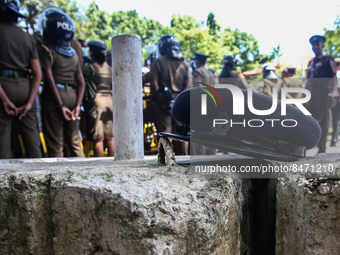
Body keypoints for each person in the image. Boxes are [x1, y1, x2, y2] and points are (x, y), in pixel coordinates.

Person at [38, 5, 85, 157]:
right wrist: (77, 106)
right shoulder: (73, 53)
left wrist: (60, 105)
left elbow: (49, 80)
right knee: (74, 141)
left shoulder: (46, 50)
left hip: (55, 97)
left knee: (55, 143)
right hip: (73, 96)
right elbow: (81, 83)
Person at [0, 0, 42, 159]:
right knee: (32, 142)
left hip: (3, 86)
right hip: (25, 88)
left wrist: (4, 100)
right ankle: (39, 177)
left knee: (2, 141)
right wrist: (30, 102)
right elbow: (38, 74)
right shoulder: (27, 37)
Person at [146, 34, 191, 155]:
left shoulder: (158, 62)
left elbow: (154, 83)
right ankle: (184, 160)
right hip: (180, 100)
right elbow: (188, 84)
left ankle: (166, 160)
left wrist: (163, 102)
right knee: (182, 132)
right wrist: (182, 101)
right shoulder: (185, 64)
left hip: (163, 102)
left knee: (165, 132)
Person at [305, 35, 337, 153]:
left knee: (323, 121)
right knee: (308, 119)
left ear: (322, 46)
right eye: (313, 45)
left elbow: (333, 78)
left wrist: (330, 95)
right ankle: (307, 145)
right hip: (312, 93)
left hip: (323, 93)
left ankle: (322, 148)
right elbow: (308, 81)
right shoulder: (311, 63)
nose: (315, 47)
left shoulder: (328, 60)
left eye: (318, 44)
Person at [83, 41, 114, 157]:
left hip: (97, 102)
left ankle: (99, 165)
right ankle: (112, 165)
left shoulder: (90, 68)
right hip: (109, 101)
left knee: (98, 138)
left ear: (92, 53)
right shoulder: (110, 69)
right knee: (110, 137)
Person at [330, 58, 340, 146]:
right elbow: (339, 88)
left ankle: (333, 139)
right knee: (337, 120)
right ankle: (334, 139)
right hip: (337, 99)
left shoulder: (332, 74)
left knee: (334, 120)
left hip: (331, 99)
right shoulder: (338, 74)